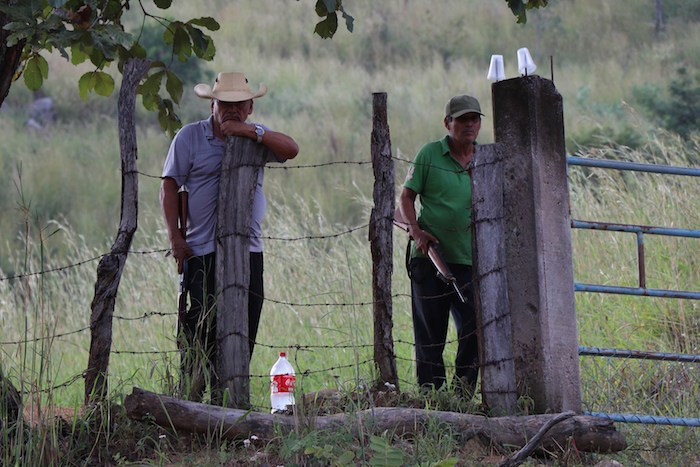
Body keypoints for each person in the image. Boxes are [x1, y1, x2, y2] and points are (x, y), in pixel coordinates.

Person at [160, 72, 299, 401]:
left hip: (249, 252)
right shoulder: (190, 137)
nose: (232, 110)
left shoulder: (256, 136)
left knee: (243, 329)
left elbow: (292, 149)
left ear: (250, 107)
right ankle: (195, 403)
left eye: (239, 104)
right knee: (201, 333)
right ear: (212, 105)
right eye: (225, 104)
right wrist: (176, 238)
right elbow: (169, 185)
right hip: (202, 251)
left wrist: (249, 132)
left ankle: (230, 402)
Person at [398, 94, 482, 398]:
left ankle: (462, 395)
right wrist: (416, 232)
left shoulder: (484, 158)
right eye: (462, 119)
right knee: (431, 334)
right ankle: (432, 397)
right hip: (429, 259)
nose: (469, 124)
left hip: (470, 260)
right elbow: (406, 197)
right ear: (448, 123)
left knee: (474, 327)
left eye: (474, 119)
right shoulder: (430, 153)